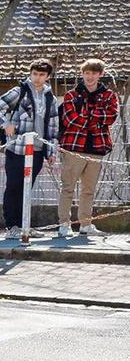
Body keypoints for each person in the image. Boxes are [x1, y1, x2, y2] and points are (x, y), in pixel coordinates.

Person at [0, 59, 59, 239]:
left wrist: (51, 152)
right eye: (34, 73)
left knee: (27, 188)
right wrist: (5, 124)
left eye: (41, 75)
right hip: (17, 148)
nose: (37, 78)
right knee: (13, 186)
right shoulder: (19, 91)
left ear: (48, 76)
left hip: (37, 150)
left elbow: (53, 126)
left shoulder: (50, 98)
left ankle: (24, 225)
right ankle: (12, 226)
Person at [57, 58, 118, 238]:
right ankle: (63, 225)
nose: (90, 76)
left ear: (100, 74)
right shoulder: (71, 95)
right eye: (87, 73)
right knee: (68, 187)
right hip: (74, 147)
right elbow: (70, 119)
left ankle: (85, 224)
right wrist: (95, 118)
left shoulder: (109, 96)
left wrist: (87, 116)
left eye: (93, 73)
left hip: (97, 148)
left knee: (88, 189)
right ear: (82, 74)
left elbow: (111, 116)